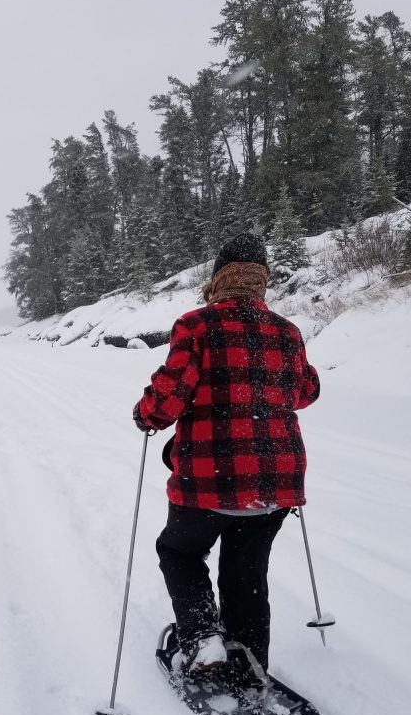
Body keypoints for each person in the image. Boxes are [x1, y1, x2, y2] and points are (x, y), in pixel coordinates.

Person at [132, 233, 320, 676]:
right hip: (275, 480)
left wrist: (147, 416)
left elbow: (169, 395)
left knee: (178, 552)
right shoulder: (287, 331)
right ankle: (250, 658)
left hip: (208, 480)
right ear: (262, 281)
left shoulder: (197, 325)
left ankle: (202, 642)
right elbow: (306, 391)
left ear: (219, 278)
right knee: (247, 574)